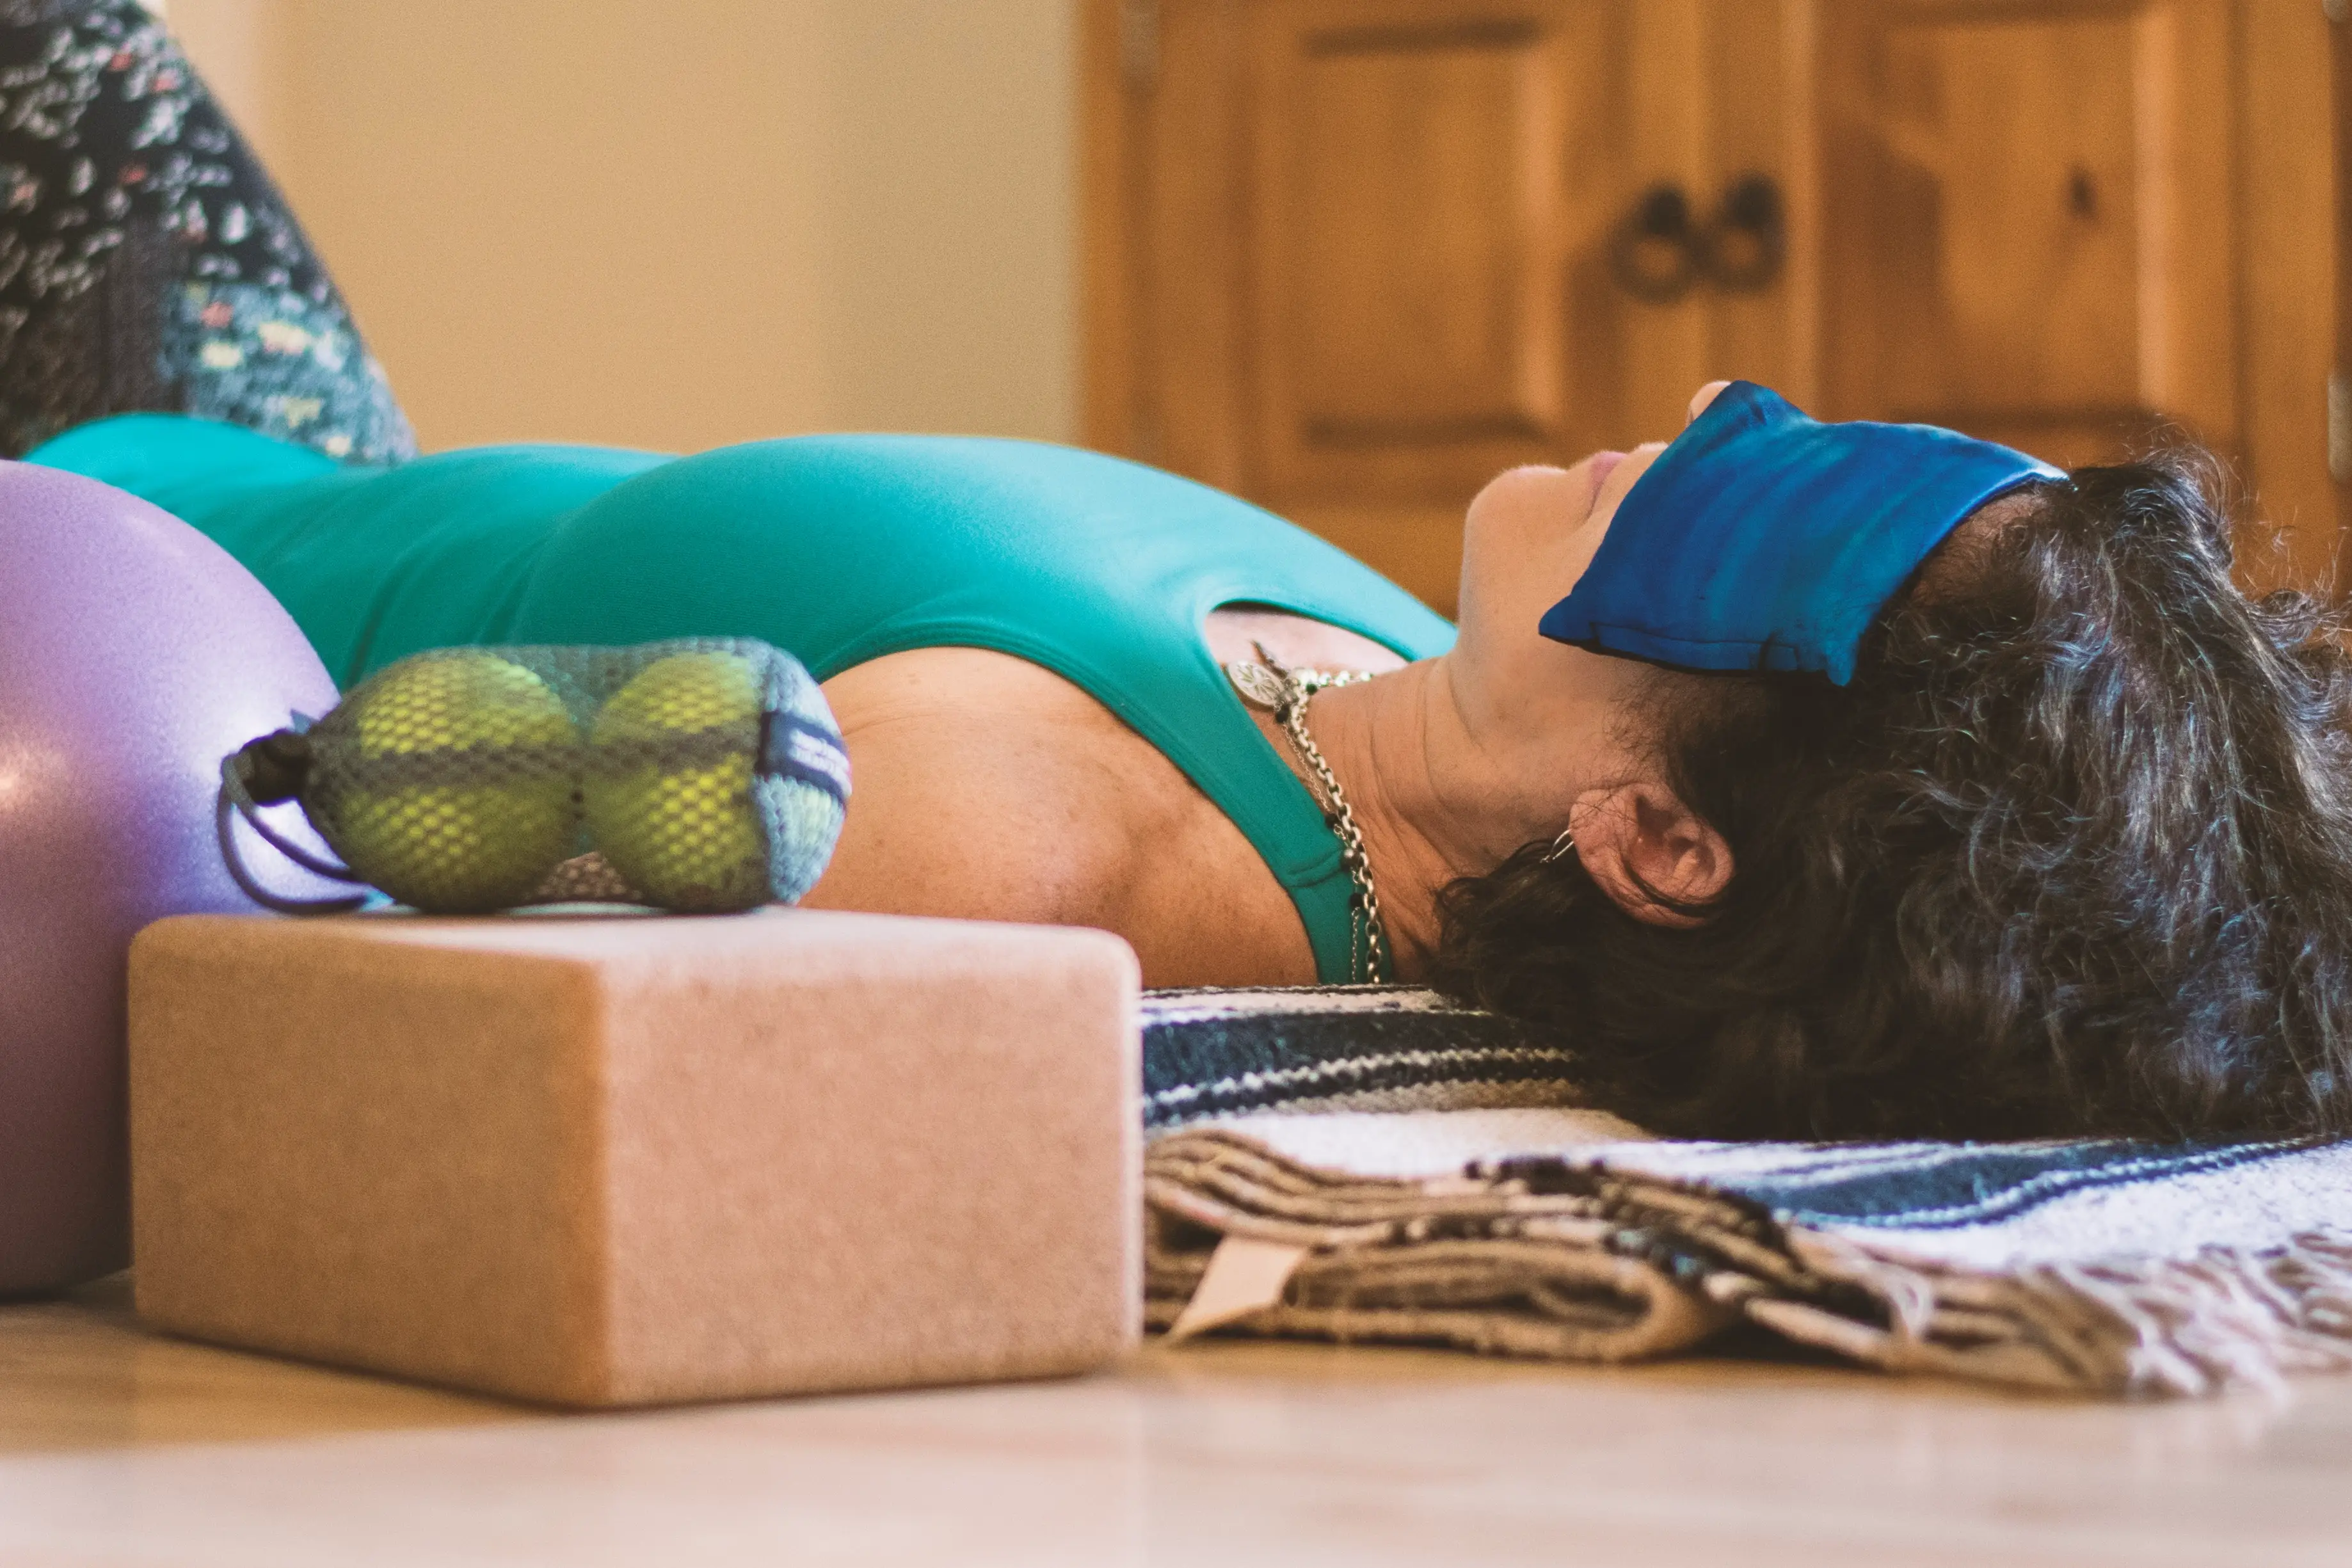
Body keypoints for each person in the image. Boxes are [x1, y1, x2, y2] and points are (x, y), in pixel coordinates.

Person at [12, 2, 2352, 1142]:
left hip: (71, 579)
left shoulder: (1020, 838)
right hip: (267, 442)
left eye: (1784, 515)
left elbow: (302, 875)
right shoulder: (1423, 687)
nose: (1728, 415)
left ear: (1659, 838)